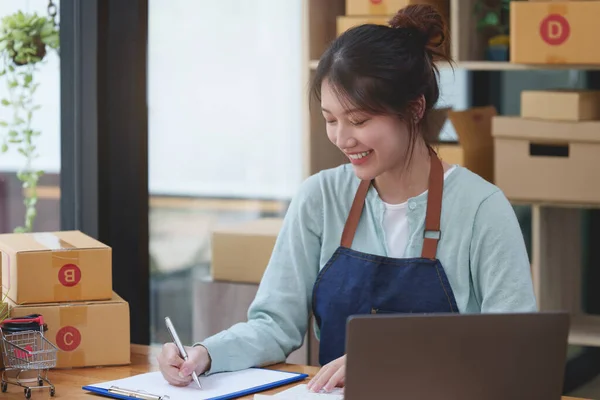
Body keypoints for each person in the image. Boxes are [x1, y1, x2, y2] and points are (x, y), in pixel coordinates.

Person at [157, 3, 537, 394]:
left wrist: (388, 360)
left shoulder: (481, 209)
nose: (342, 138)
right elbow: (274, 324)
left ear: (414, 108)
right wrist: (205, 353)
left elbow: (514, 348)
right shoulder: (319, 198)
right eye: (330, 119)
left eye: (359, 120)